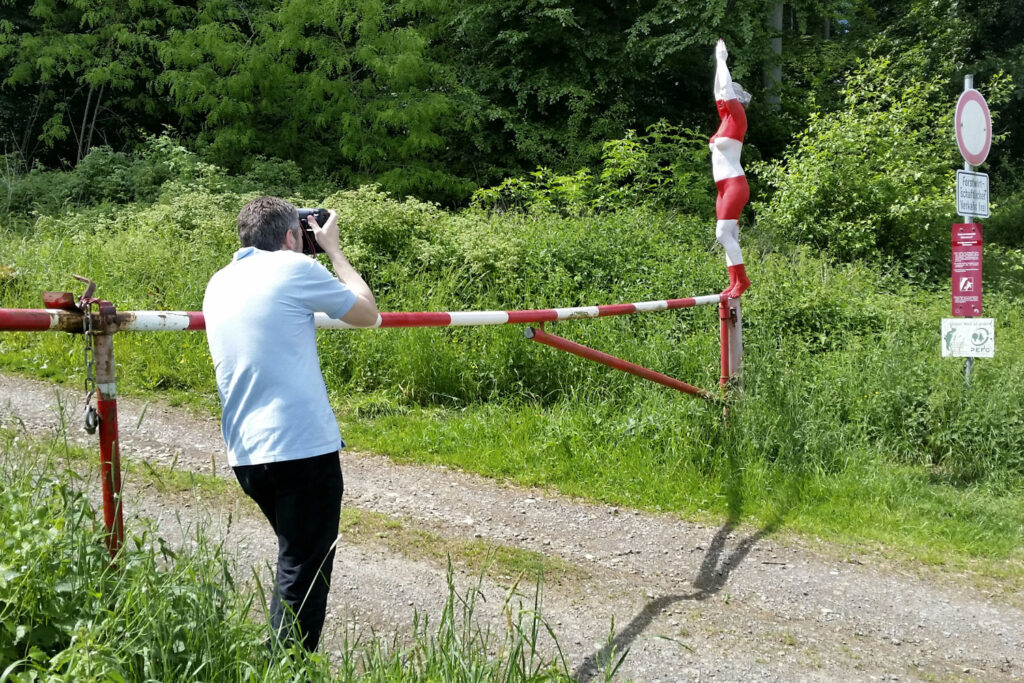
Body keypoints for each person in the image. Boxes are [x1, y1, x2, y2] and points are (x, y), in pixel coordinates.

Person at [203, 196, 379, 651]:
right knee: (305, 568)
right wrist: (334, 250)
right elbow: (367, 314)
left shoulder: (219, 282)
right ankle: (285, 667)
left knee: (296, 560)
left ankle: (281, 660)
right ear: (289, 237)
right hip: (300, 450)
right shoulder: (293, 269)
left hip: (246, 453)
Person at [709, 38, 752, 298]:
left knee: (722, 233)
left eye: (728, 97)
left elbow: (725, 87)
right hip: (722, 187)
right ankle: (733, 282)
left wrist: (722, 60)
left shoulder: (737, 118)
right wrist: (717, 62)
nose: (723, 99)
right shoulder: (724, 119)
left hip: (735, 183)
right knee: (730, 235)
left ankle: (743, 280)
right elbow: (718, 90)